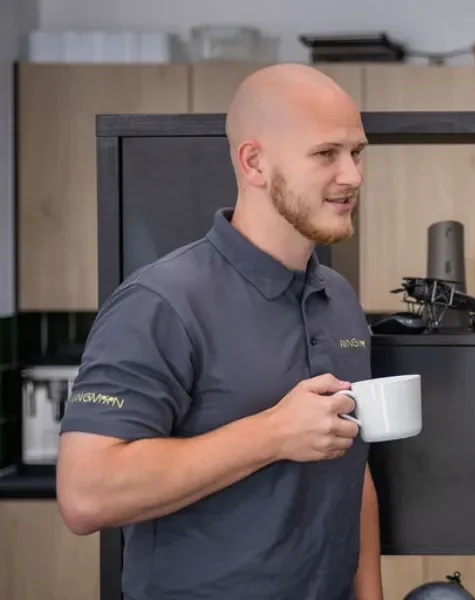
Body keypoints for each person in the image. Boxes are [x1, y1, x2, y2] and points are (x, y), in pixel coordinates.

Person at [56, 63, 382, 600]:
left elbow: (350, 471)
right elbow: (86, 495)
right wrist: (273, 434)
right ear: (253, 162)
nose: (352, 175)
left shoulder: (339, 299)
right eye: (326, 154)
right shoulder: (161, 302)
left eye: (357, 152)